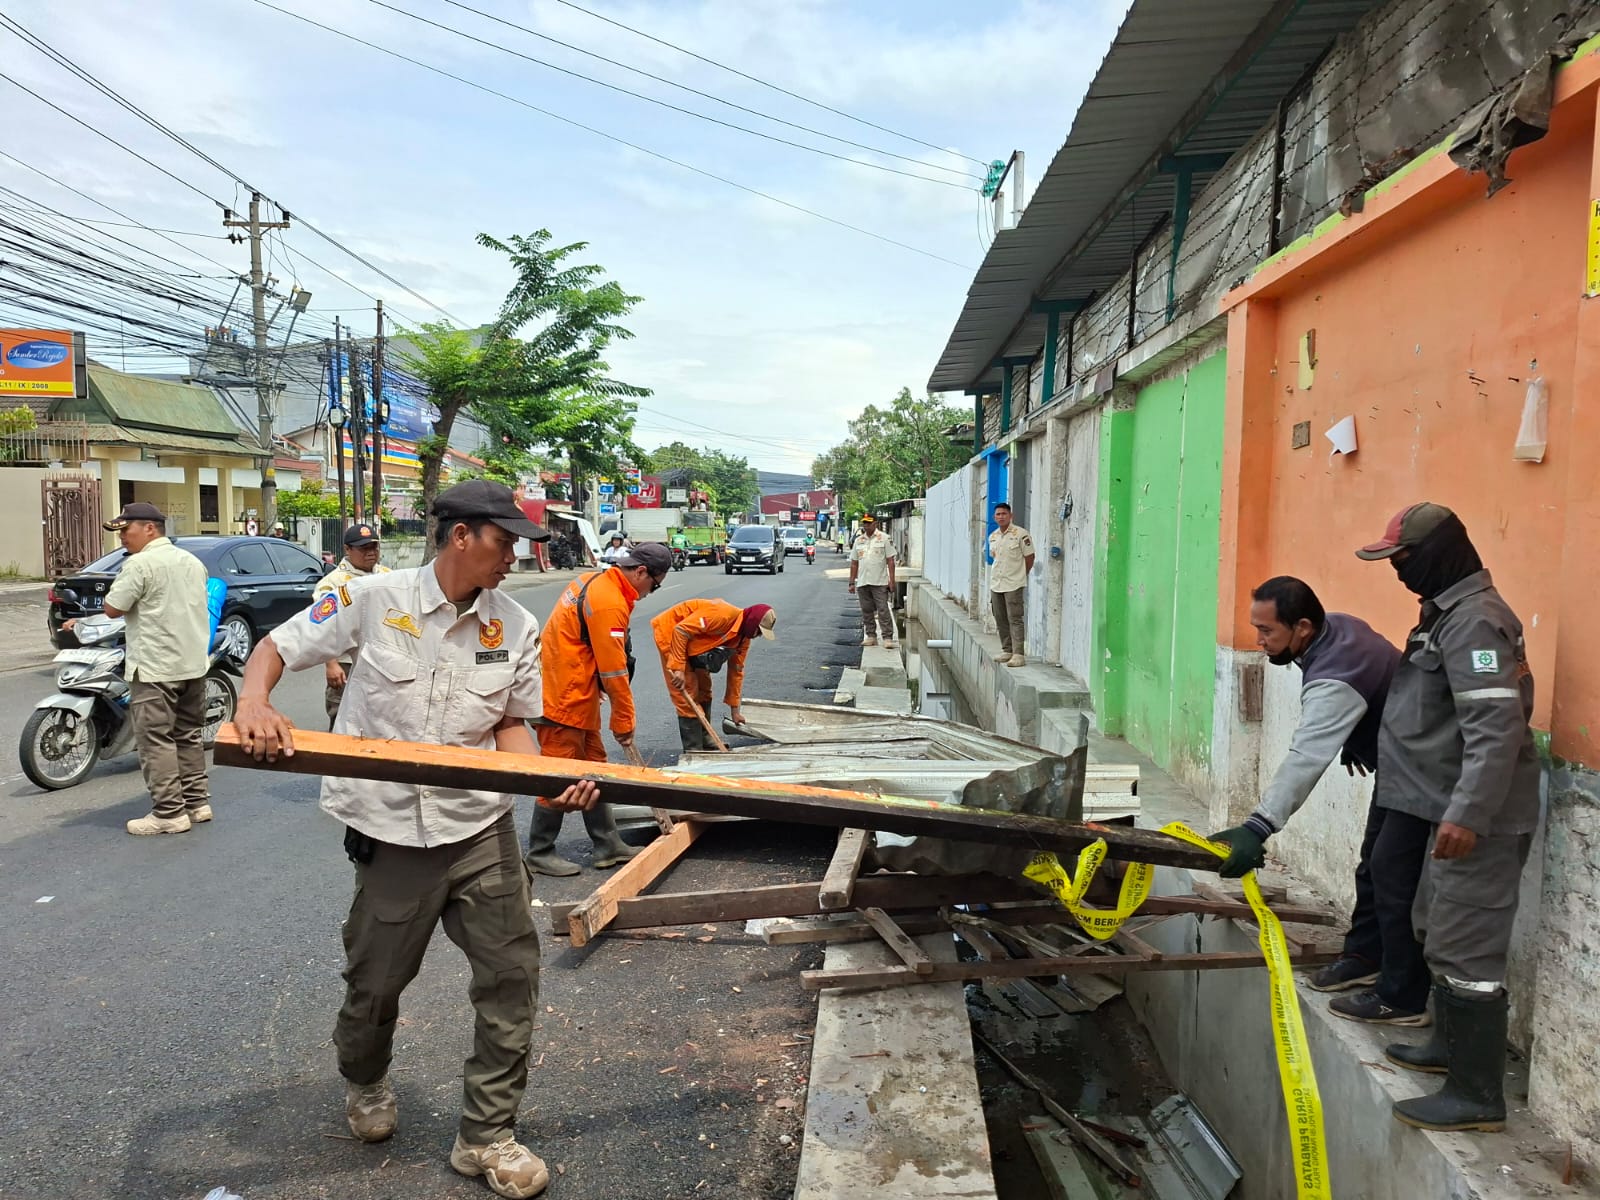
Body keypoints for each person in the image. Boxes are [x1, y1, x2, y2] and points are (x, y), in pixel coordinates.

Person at [232, 479, 600, 1199]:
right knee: (375, 987)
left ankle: (486, 1134)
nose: (514, 557)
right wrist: (254, 701)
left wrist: (545, 781)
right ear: (461, 536)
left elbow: (511, 725)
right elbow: (276, 646)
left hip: (480, 827)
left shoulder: (515, 625)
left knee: (512, 979)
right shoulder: (373, 597)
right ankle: (365, 1079)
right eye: (504, 542)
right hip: (392, 831)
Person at [1356, 502, 1540, 1134]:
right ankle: (1445, 1045)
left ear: (1438, 554)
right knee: (1435, 926)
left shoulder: (1477, 622)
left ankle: (1475, 1095)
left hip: (1477, 819)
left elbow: (1496, 726)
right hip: (1445, 808)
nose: (1399, 569)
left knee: (1467, 947)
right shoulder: (1448, 614)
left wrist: (1468, 814)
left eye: (1405, 557)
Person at [1210, 577, 1431, 1025]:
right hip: (1399, 760)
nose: (1259, 641)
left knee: (1393, 873)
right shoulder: (1339, 627)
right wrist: (1356, 733)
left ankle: (1402, 996)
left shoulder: (1335, 676)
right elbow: (1383, 677)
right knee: (1374, 863)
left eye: (1267, 631)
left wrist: (1258, 826)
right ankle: (1365, 957)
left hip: (1424, 768)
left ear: (1303, 627)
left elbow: (1307, 756)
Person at [525, 541, 672, 877]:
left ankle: (608, 844)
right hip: (562, 698)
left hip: (576, 689)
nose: (650, 593)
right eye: (655, 585)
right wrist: (624, 719)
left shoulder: (594, 581)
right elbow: (614, 670)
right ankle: (539, 851)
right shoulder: (609, 602)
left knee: (594, 768)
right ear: (640, 572)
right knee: (560, 773)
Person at [92, 502, 213, 835]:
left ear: (149, 528)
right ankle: (197, 803)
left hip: (156, 667)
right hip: (193, 663)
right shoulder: (192, 562)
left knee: (155, 741)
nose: (122, 539)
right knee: (188, 735)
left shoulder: (140, 564)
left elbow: (113, 608)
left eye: (126, 530)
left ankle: (169, 812)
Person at [652, 599, 777, 751]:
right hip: (671, 634)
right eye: (759, 631)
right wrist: (678, 667)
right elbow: (681, 630)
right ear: (752, 622)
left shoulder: (743, 639)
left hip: (693, 646)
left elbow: (736, 672)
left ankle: (705, 737)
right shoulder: (722, 615)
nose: (759, 635)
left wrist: (735, 712)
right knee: (687, 694)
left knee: (705, 689)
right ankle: (693, 748)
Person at [314, 524, 393, 730]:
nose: (371, 552)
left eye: (374, 547)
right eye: (364, 548)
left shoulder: (388, 576)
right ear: (347, 549)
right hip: (346, 663)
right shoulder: (333, 583)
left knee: (381, 723)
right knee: (343, 720)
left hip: (383, 663)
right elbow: (323, 627)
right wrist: (331, 663)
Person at [848, 514, 896, 648]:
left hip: (879, 581)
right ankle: (871, 636)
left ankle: (887, 637)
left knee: (883, 609)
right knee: (866, 610)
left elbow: (890, 561)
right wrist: (851, 582)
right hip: (863, 581)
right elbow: (854, 563)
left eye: (869, 523)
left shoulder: (884, 538)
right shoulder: (859, 541)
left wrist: (892, 580)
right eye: (864, 523)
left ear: (875, 523)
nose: (866, 525)